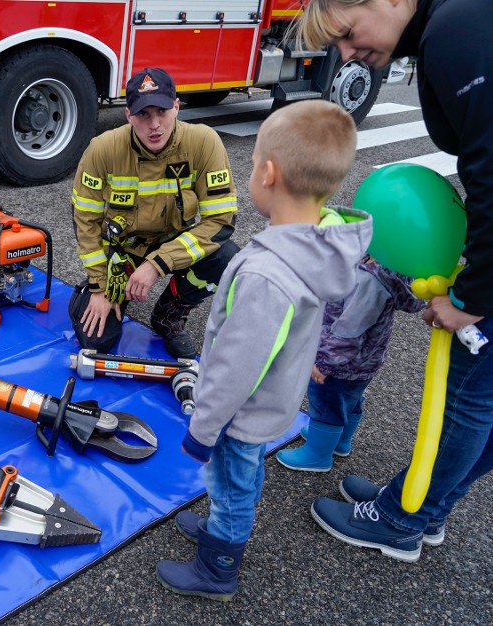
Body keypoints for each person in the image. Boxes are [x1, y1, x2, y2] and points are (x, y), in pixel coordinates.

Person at [295, 0, 492, 563]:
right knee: (481, 399)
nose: (349, 54)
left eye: (349, 34)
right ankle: (424, 505)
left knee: (468, 402)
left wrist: (472, 296)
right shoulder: (457, 22)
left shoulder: (457, 29)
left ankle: (402, 519)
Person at [156, 100, 371, 600]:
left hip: (239, 413)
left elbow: (238, 364)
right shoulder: (313, 250)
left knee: (233, 482)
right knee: (239, 477)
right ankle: (218, 525)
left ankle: (217, 569)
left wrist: (203, 427)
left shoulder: (265, 275)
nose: (250, 174)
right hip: (271, 400)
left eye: (251, 166)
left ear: (269, 174)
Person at [69, 67, 240, 359]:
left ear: (176, 106)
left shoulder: (203, 142)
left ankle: (169, 314)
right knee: (95, 342)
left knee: (226, 257)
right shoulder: (102, 149)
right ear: (128, 115)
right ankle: (98, 295)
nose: (154, 124)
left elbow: (220, 222)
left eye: (162, 111)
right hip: (123, 253)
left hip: (175, 243)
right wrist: (99, 286)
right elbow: (85, 222)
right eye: (143, 114)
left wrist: (157, 264)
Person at [276, 256, 425, 472]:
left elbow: (349, 330)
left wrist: (325, 362)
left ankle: (317, 455)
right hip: (365, 360)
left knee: (326, 405)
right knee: (349, 400)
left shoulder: (368, 279)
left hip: (341, 363)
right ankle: (339, 441)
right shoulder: (394, 268)